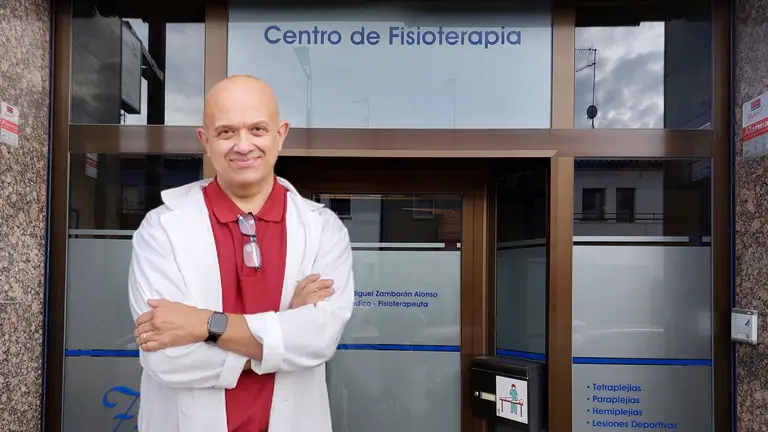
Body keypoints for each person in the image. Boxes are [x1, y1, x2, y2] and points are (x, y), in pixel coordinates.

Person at [127, 75, 354, 432]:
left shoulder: (323, 229)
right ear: (206, 141)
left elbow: (318, 340)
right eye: (227, 132)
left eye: (258, 129)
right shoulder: (162, 229)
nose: (243, 145)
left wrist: (205, 325)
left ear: (281, 134)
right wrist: (283, 331)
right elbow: (167, 357)